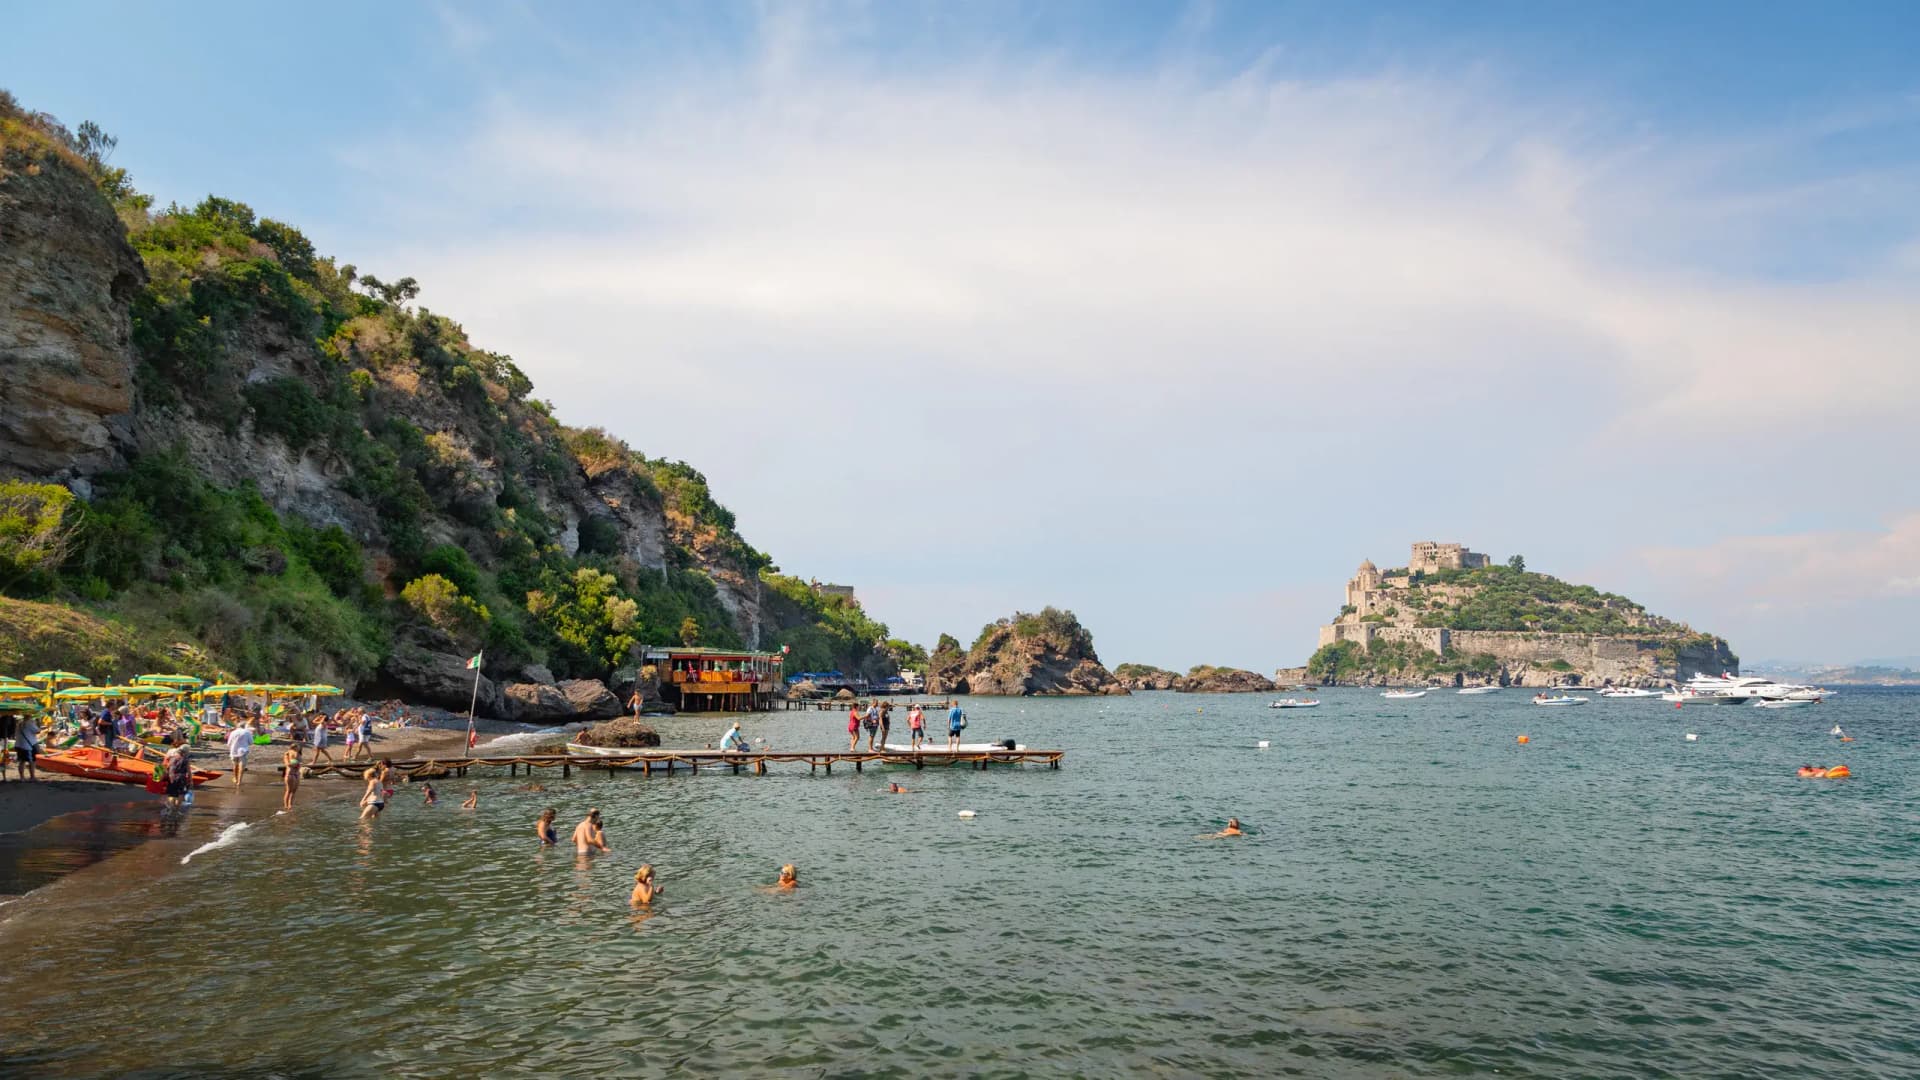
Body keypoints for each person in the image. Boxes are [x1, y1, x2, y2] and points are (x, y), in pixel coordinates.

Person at [161, 736, 193, 810]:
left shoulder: (172, 758)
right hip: (181, 778)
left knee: (171, 794)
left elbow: (167, 768)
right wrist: (190, 780)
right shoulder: (185, 760)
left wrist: (163, 776)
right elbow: (189, 771)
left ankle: (171, 808)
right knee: (181, 794)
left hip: (172, 777)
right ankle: (177, 808)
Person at [225, 719, 255, 787]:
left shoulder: (233, 732)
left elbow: (229, 743)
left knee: (235, 765)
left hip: (233, 751)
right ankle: (239, 781)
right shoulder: (247, 732)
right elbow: (251, 742)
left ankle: (235, 778)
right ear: (244, 726)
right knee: (241, 766)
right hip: (243, 751)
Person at [13, 713, 39, 781]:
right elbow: (38, 731)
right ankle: (32, 777)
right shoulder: (30, 723)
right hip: (28, 746)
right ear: (30, 716)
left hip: (19, 744)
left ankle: (22, 778)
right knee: (32, 761)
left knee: (22, 761)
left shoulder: (19, 723)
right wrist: (36, 723)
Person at [281, 739, 303, 811]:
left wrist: (298, 764)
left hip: (297, 774)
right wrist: (295, 762)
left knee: (294, 791)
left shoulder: (299, 754)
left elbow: (300, 764)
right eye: (298, 747)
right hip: (290, 774)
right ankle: (285, 805)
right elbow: (288, 764)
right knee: (289, 790)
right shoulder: (287, 754)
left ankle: (290, 805)